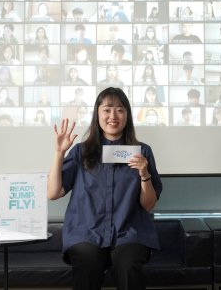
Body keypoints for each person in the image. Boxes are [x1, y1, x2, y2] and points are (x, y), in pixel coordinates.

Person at [48, 87, 162, 290]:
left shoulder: (142, 152)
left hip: (129, 232)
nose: (113, 115)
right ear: (97, 114)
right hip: (86, 232)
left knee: (127, 266)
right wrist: (59, 153)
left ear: (127, 115)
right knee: (87, 264)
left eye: (120, 109)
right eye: (107, 109)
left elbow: (148, 205)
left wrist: (144, 174)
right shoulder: (81, 151)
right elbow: (53, 193)